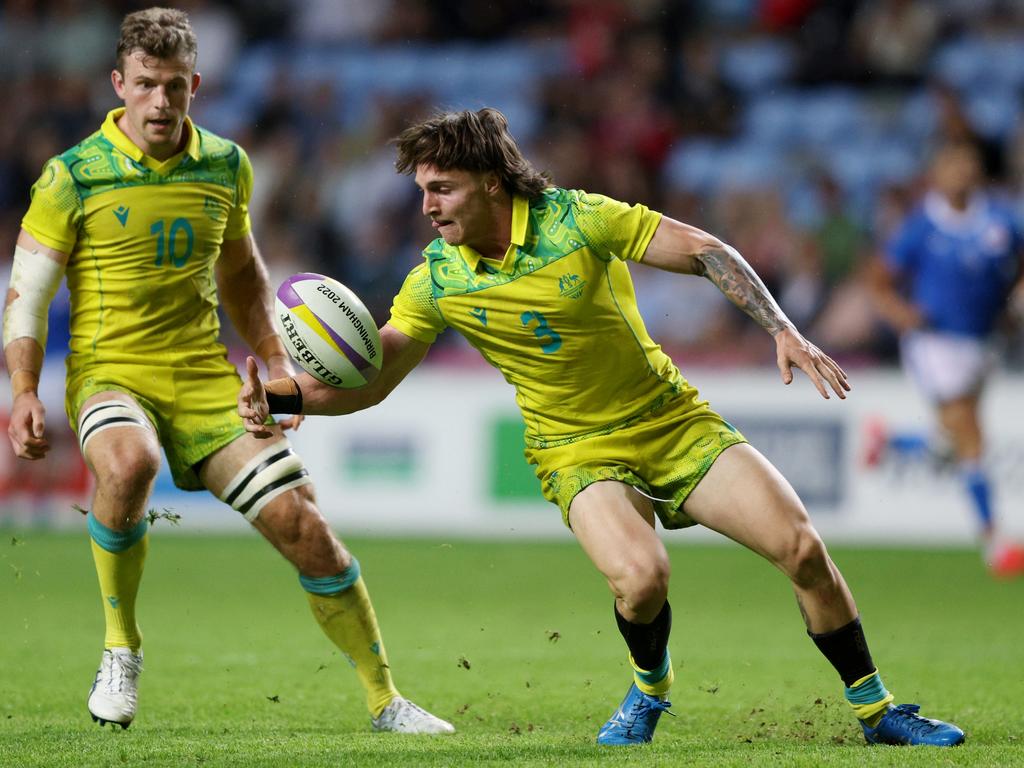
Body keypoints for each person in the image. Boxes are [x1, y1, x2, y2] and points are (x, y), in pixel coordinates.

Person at [240, 107, 965, 747]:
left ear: (491, 181)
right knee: (642, 578)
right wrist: (279, 399)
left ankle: (879, 712)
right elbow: (373, 382)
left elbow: (708, 250)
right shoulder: (438, 279)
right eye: (422, 190)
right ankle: (650, 689)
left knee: (803, 549)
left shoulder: (577, 219)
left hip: (671, 421)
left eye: (441, 188)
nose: (426, 206)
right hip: (575, 449)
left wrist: (782, 329)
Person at [2, 7, 452, 735]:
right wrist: (24, 389)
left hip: (206, 379)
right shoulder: (71, 176)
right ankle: (121, 650)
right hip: (111, 372)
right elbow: (27, 294)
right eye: (145, 84)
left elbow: (244, 277)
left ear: (196, 85)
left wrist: (277, 369)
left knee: (306, 529)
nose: (159, 101)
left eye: (174, 86)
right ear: (118, 83)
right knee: (128, 463)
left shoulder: (224, 164)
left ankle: (385, 699)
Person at [870, 140, 1024, 578]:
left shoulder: (1000, 220)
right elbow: (879, 279)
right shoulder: (921, 226)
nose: (961, 171)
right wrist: (902, 314)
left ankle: (890, 442)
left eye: (967, 163)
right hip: (934, 343)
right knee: (970, 436)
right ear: (936, 174)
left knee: (951, 441)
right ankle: (995, 540)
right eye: (952, 164)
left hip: (984, 342)